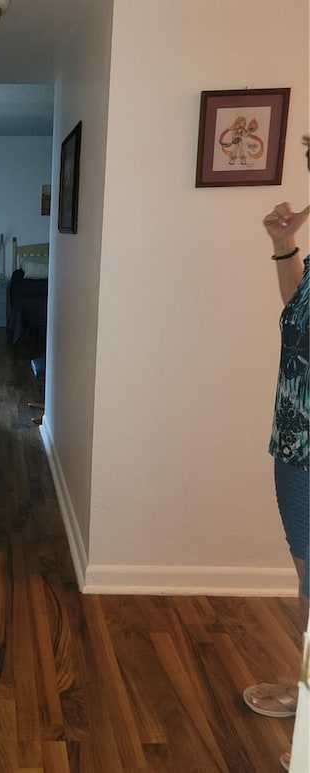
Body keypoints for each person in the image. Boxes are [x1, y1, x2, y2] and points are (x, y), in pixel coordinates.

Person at [243, 186, 309, 772]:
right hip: (296, 440)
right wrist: (284, 245)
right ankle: (308, 690)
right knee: (309, 579)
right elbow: (298, 319)